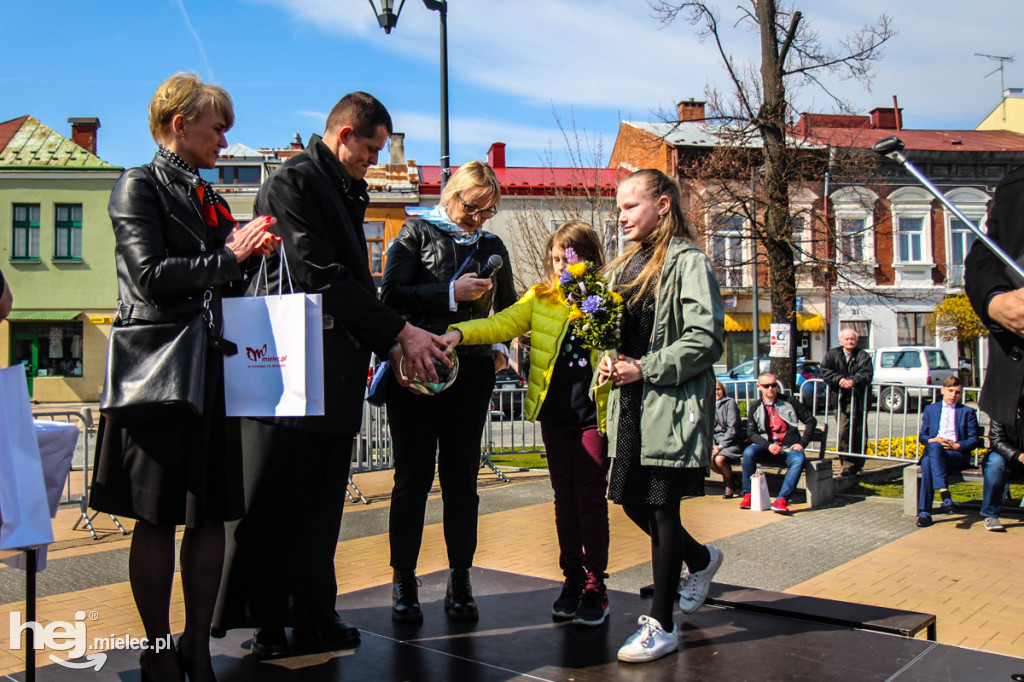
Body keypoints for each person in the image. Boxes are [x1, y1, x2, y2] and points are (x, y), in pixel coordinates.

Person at [212, 92, 449, 658]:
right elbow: (317, 272)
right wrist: (397, 332)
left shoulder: (346, 187)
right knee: (274, 499)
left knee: (322, 501)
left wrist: (387, 339)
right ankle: (269, 619)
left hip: (332, 367)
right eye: (369, 149)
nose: (372, 161)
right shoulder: (292, 182)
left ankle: (316, 610)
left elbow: (352, 283)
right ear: (343, 135)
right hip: (288, 363)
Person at [90, 73, 279, 682]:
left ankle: (196, 647)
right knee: (155, 520)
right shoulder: (136, 185)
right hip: (159, 374)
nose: (225, 138)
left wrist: (251, 256)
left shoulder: (209, 198)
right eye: (217, 126)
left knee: (208, 517)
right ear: (180, 125)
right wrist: (231, 256)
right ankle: (159, 650)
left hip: (209, 369)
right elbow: (148, 277)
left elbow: (219, 277)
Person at [440, 220, 612, 626]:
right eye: (555, 259)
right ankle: (571, 578)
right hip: (555, 414)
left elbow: (619, 341)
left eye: (568, 259)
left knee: (589, 498)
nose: (560, 267)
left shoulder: (603, 299)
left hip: (592, 416)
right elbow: (501, 323)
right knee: (563, 498)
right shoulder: (541, 298)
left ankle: (595, 584)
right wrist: (459, 333)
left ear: (588, 259)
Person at [380, 160, 517, 622]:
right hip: (416, 371)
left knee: (462, 480)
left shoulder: (492, 245)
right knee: (412, 478)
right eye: (472, 207)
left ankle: (461, 578)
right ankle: (404, 580)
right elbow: (390, 295)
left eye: (487, 211)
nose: (477, 219)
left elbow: (509, 307)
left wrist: (500, 348)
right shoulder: (415, 233)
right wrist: (450, 293)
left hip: (473, 371)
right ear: (452, 192)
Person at [599, 169, 724, 664]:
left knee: (660, 506)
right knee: (631, 501)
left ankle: (663, 624)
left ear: (664, 204)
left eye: (631, 206)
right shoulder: (626, 264)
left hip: (669, 406)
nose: (622, 216)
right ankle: (700, 559)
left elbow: (706, 338)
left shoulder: (688, 261)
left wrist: (646, 367)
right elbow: (614, 331)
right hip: (629, 404)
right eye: (619, 209)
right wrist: (608, 356)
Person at [740, 371, 817, 515]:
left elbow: (810, 420)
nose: (770, 389)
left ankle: (782, 499)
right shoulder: (755, 407)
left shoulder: (790, 401)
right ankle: (748, 494)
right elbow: (751, 433)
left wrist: (802, 443)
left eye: (773, 385)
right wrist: (767, 445)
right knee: (749, 453)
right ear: (759, 387)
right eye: (766, 386)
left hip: (788, 448)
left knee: (799, 459)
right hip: (766, 449)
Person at [914, 376, 980, 527]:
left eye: (957, 392)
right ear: (942, 390)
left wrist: (958, 445)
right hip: (935, 452)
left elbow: (974, 440)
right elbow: (923, 436)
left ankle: (925, 512)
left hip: (954, 455)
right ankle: (945, 498)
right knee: (931, 455)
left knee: (928, 461)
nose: (953, 395)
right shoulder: (931, 409)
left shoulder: (967, 412)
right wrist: (933, 440)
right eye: (950, 391)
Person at [820, 327, 873, 476]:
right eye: (847, 339)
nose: (850, 341)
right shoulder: (832, 354)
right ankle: (846, 463)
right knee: (844, 430)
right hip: (840, 399)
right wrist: (840, 380)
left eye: (852, 339)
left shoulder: (863, 355)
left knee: (859, 431)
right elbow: (825, 371)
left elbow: (867, 373)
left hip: (859, 398)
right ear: (840, 341)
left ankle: (858, 463)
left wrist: (853, 381)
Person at [981, 418, 1024, 531]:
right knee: (995, 464)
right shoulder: (1000, 413)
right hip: (1004, 455)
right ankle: (991, 515)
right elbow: (996, 440)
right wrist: (1017, 455)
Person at [711, 380, 746, 498]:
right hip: (716, 442)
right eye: (714, 389)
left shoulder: (730, 403)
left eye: (718, 389)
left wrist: (721, 446)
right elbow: (707, 429)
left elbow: (733, 428)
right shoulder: (707, 405)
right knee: (707, 459)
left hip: (732, 441)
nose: (716, 392)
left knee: (720, 460)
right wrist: (712, 446)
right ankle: (732, 477)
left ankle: (729, 483)